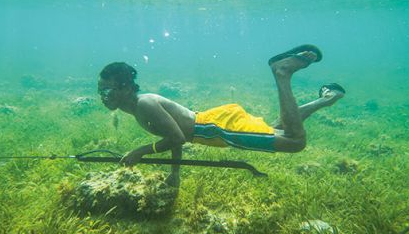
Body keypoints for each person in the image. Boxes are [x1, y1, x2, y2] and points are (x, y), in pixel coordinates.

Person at [97, 44, 345, 187]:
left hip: (215, 129)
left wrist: (140, 151)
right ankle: (327, 98)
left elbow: (177, 138)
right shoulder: (140, 106)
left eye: (107, 90)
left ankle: (282, 72)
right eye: (101, 91)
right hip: (215, 124)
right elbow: (174, 134)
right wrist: (175, 173)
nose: (103, 96)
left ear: (126, 88)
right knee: (277, 129)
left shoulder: (144, 105)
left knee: (295, 142)